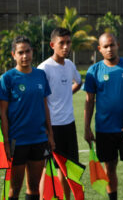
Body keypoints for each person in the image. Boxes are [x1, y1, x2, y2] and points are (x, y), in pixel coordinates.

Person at [84, 33, 123, 199]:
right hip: (105, 129)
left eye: (112, 45)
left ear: (118, 45)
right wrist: (87, 127)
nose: (109, 49)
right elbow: (89, 101)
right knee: (109, 168)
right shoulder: (94, 71)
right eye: (106, 46)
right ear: (99, 49)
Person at [0, 36, 55, 200]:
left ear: (32, 52)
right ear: (13, 55)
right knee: (15, 188)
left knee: (34, 188)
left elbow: (45, 106)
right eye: (21, 52)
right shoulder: (7, 78)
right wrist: (7, 142)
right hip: (17, 141)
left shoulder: (40, 75)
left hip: (38, 138)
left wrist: (50, 135)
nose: (25, 56)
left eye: (28, 51)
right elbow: (2, 113)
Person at [38, 27, 82, 200]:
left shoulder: (70, 65)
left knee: (68, 169)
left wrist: (66, 94)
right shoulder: (44, 69)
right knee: (46, 170)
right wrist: (47, 131)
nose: (65, 47)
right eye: (61, 43)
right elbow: (40, 100)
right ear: (52, 45)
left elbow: (78, 82)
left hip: (69, 126)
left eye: (68, 42)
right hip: (51, 128)